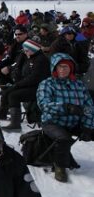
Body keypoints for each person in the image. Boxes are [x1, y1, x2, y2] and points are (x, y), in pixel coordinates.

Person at [37, 53, 94, 182]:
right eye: (60, 66)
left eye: (66, 67)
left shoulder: (78, 85)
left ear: (71, 68)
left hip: (74, 122)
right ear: (55, 68)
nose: (63, 69)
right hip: (52, 122)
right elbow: (44, 105)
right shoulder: (47, 84)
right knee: (64, 138)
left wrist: (87, 127)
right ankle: (60, 166)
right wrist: (66, 107)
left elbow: (89, 107)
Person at [0, 40, 51, 131]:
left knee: (13, 95)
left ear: (33, 50)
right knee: (7, 91)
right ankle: (1, 117)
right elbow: (23, 71)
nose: (25, 52)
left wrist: (18, 85)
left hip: (40, 88)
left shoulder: (40, 60)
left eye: (26, 50)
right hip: (30, 85)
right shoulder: (31, 57)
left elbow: (34, 78)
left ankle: (15, 124)